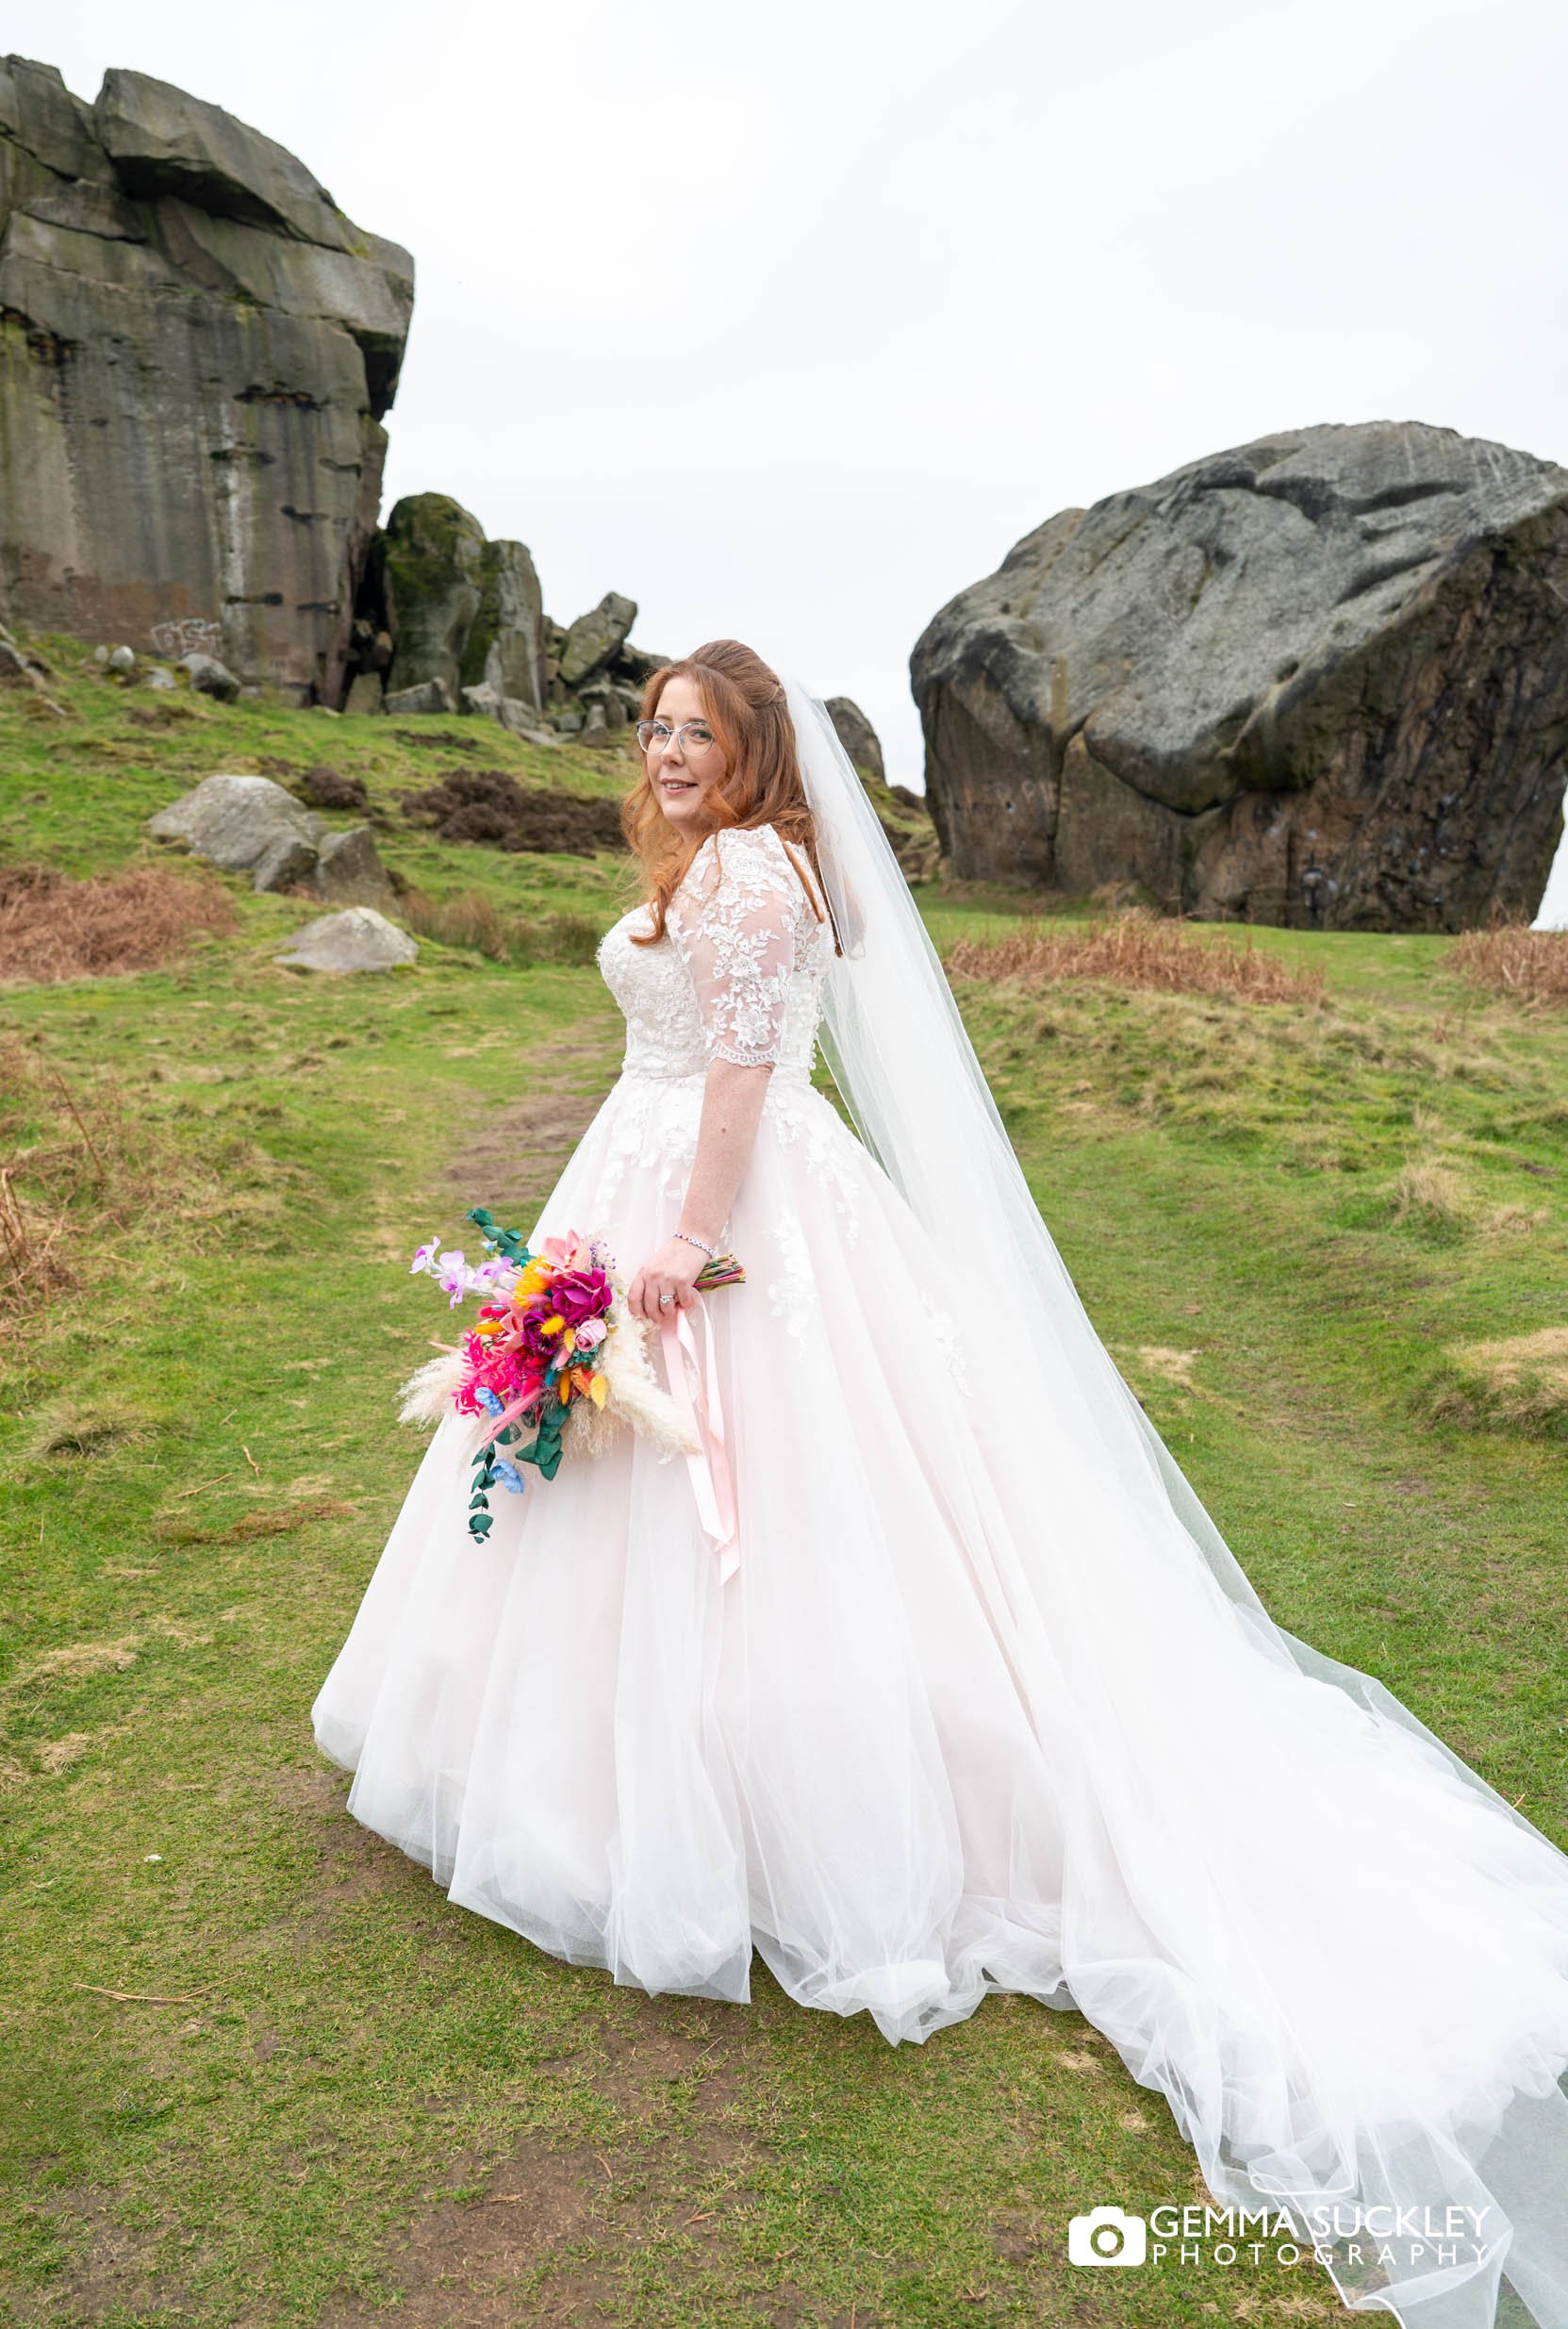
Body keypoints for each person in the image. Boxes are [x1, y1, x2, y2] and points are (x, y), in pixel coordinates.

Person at [313, 640, 1568, 2329]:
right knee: (629, 1491)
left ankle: (784, 1789)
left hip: (722, 1212)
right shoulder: (713, 864)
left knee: (793, 1499)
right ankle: (592, 1756)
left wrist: (683, 1243)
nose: (670, 753)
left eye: (701, 732)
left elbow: (747, 1075)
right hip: (638, 1171)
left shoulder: (755, 875)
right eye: (656, 729)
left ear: (761, 752)